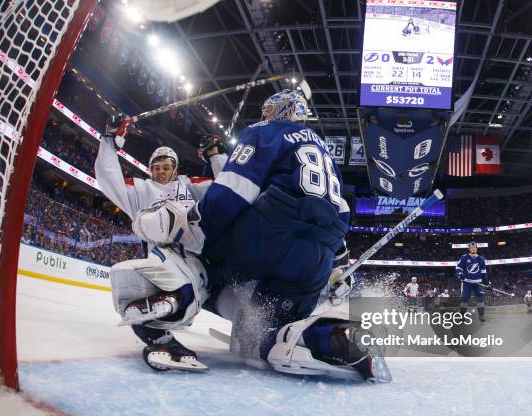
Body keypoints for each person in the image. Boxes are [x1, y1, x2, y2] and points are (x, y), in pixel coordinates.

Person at [134, 89, 390, 382]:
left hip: (271, 238)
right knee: (269, 334)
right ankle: (337, 339)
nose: (264, 116)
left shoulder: (265, 131)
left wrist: (193, 228)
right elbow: (340, 214)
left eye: (268, 111)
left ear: (279, 112)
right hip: (316, 262)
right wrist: (337, 266)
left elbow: (231, 192)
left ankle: (164, 310)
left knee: (194, 251)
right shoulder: (324, 153)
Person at [95, 119, 223, 371]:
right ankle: (161, 335)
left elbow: (226, 186)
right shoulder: (139, 189)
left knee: (192, 298)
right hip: (161, 255)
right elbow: (109, 178)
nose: (161, 171)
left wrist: (214, 155)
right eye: (156, 167)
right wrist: (109, 141)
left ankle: (172, 310)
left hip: (198, 255)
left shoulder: (189, 185)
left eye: (166, 167)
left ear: (175, 170)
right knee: (148, 303)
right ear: (150, 170)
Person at [455, 241, 489, 322]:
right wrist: (460, 274)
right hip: (467, 282)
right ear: (469, 248)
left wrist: (487, 283)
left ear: (477, 248)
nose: (473, 249)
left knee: (480, 299)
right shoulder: (464, 257)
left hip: (478, 283)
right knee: (465, 299)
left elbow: (484, 272)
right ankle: (462, 316)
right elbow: (458, 268)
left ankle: (481, 316)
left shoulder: (481, 259)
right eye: (471, 247)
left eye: (474, 247)